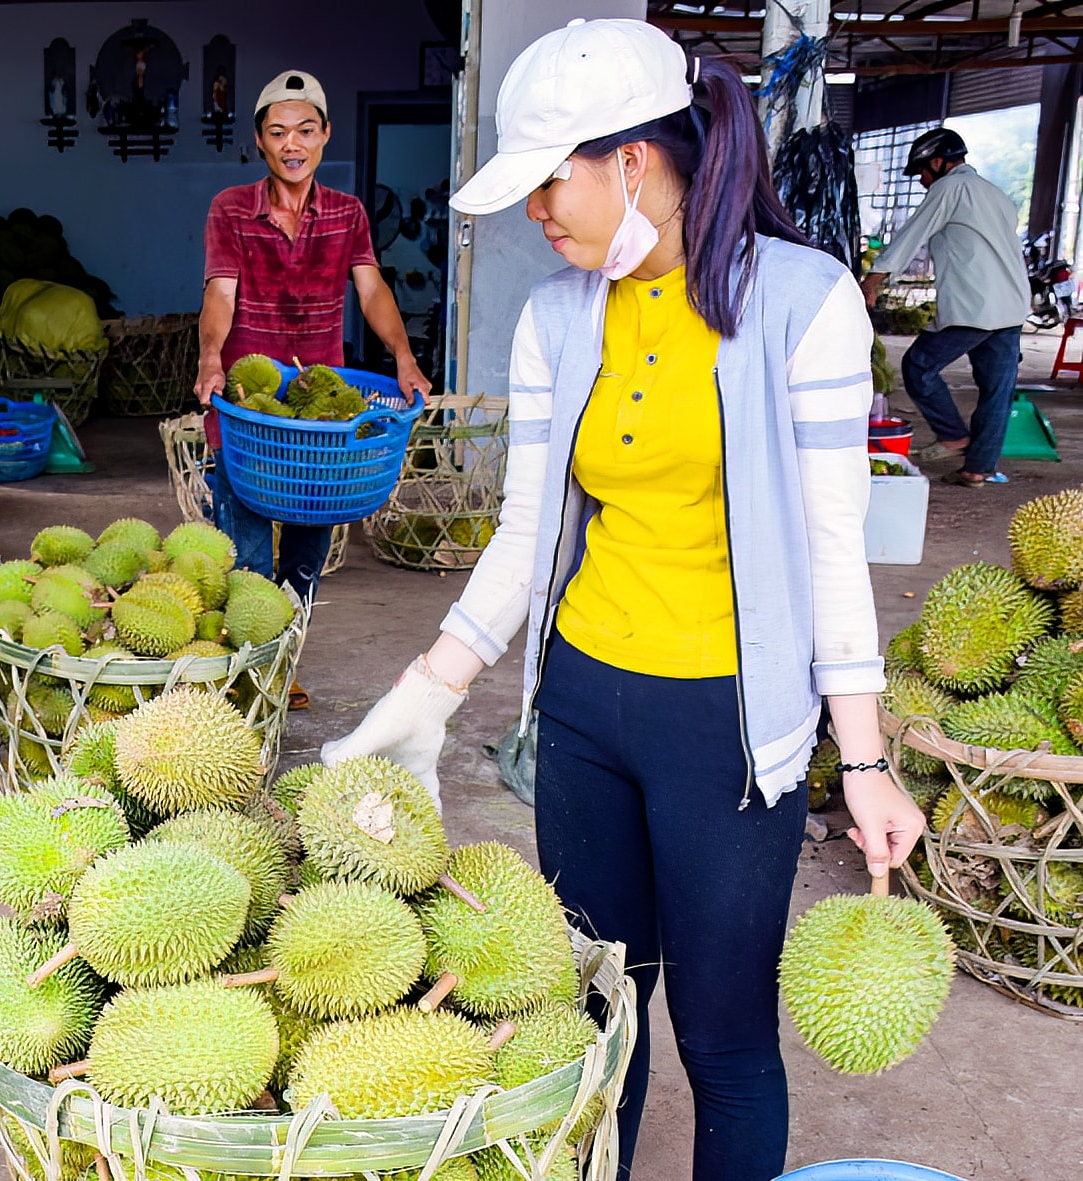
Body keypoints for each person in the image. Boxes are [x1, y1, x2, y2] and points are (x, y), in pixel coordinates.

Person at [321, 20, 924, 1181]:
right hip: (587, 706)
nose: (536, 216)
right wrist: (426, 693)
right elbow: (524, 530)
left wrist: (860, 762)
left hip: (727, 728)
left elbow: (829, 552)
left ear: (633, 160)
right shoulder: (558, 313)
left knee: (724, 1036)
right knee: (602, 1013)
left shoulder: (802, 302)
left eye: (550, 183)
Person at [193, 69, 431, 708]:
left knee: (304, 555)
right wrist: (212, 359)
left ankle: (280, 666)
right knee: (244, 555)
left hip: (320, 417)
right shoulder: (231, 209)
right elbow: (220, 291)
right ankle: (244, 670)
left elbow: (372, 287)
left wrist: (404, 358)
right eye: (277, 133)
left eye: (304, 130)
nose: (291, 144)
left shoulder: (348, 214)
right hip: (247, 410)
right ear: (259, 141)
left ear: (325, 135)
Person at [860, 127, 1028, 488]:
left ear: (938, 162)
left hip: (976, 306)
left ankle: (953, 435)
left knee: (919, 365)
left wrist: (873, 281)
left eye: (922, 171)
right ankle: (978, 468)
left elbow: (912, 234)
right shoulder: (994, 193)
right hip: (1012, 305)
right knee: (996, 390)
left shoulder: (949, 187)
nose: (921, 179)